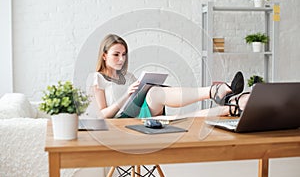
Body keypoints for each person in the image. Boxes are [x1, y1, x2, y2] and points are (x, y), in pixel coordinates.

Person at [89, 34, 247, 119]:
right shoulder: (98, 78)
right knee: (154, 92)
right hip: (120, 121)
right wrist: (126, 95)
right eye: (116, 55)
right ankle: (216, 92)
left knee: (179, 120)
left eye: (124, 54)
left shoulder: (128, 76)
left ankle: (232, 107)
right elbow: (102, 115)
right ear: (104, 56)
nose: (121, 59)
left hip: (139, 111)